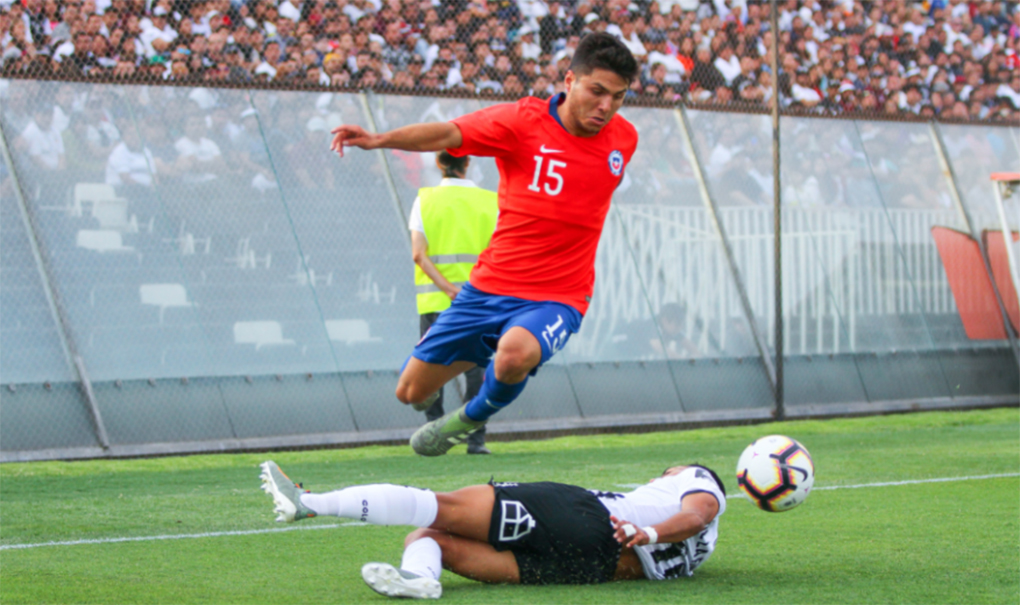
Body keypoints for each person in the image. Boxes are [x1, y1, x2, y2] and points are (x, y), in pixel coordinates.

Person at [329, 32, 640, 456]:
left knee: (514, 354)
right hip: (489, 288)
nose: (606, 107)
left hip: (560, 295)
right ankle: (467, 364)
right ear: (570, 80)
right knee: (410, 392)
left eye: (618, 97)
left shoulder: (625, 139)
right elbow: (448, 133)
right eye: (597, 91)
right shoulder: (521, 122)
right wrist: (380, 139)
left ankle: (468, 419)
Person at [259, 459, 726, 598]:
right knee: (427, 540)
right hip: (593, 568)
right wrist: (651, 539)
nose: (664, 473)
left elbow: (699, 513)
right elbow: (691, 530)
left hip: (584, 518)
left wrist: (649, 533)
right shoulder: (701, 552)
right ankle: (422, 579)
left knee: (436, 508)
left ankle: (311, 503)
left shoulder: (697, 483)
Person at [409, 151, 498, 455]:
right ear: (468, 164)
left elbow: (418, 254)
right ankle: (476, 438)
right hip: (478, 303)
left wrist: (447, 288)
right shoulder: (491, 202)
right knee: (476, 370)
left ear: (439, 163)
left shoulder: (425, 199)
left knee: (432, 369)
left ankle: (434, 433)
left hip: (435, 301)